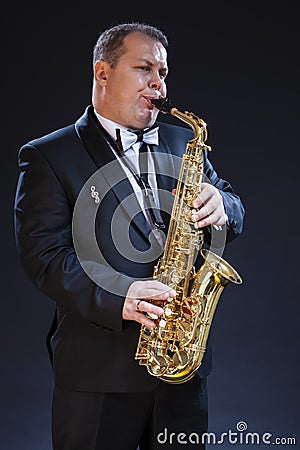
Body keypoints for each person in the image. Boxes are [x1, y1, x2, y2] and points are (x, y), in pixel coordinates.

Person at [14, 22, 245, 450]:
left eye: (163, 73)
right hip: (97, 376)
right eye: (144, 69)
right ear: (103, 73)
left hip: (182, 370)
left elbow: (234, 207)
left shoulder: (182, 139)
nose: (158, 84)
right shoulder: (48, 155)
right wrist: (122, 295)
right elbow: (44, 257)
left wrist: (222, 206)